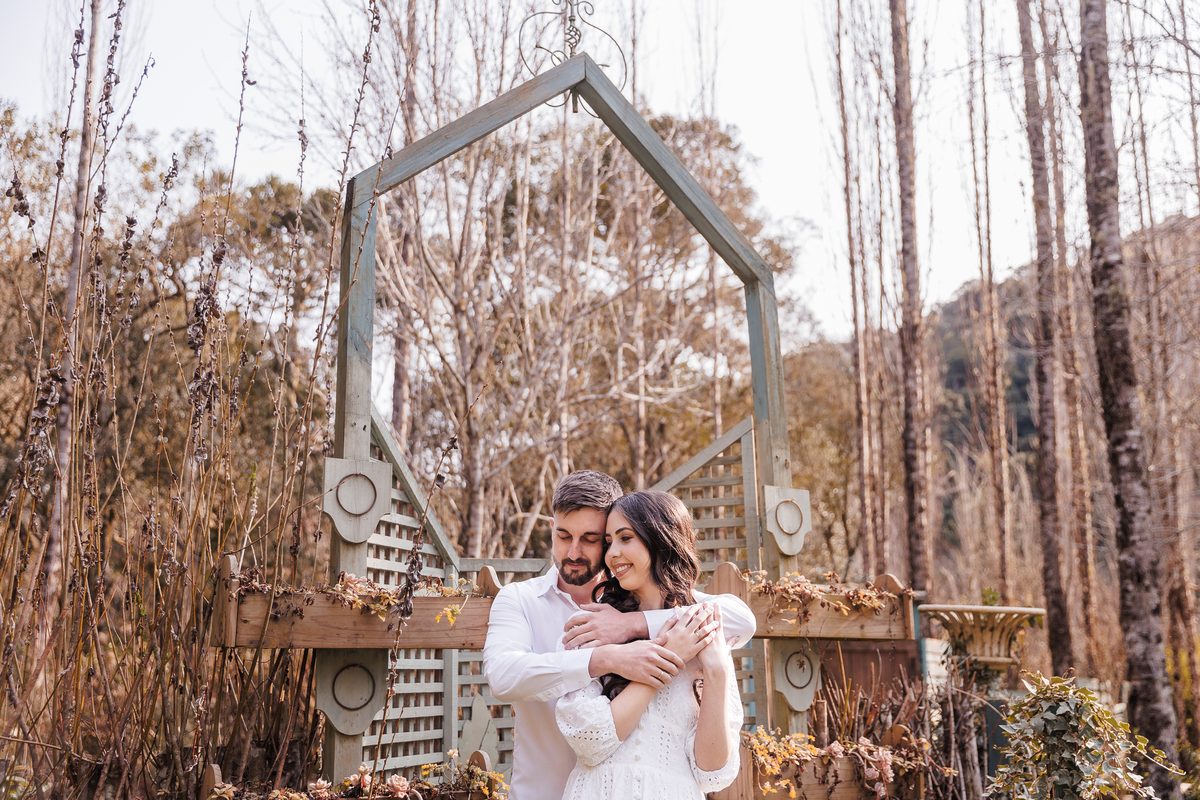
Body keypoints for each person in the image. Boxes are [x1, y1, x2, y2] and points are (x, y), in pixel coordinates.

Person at [482, 472, 755, 800]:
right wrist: (607, 658)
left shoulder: (685, 621)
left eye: (594, 539)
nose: (573, 551)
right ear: (552, 527)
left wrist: (632, 625)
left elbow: (740, 618)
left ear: (658, 540)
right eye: (563, 535)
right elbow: (503, 675)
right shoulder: (530, 604)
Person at [554, 491, 743, 799]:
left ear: (662, 540)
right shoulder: (590, 627)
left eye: (625, 538)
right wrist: (668, 657)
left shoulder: (702, 633)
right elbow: (590, 742)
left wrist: (718, 672)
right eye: (609, 542)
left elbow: (711, 773)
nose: (612, 553)